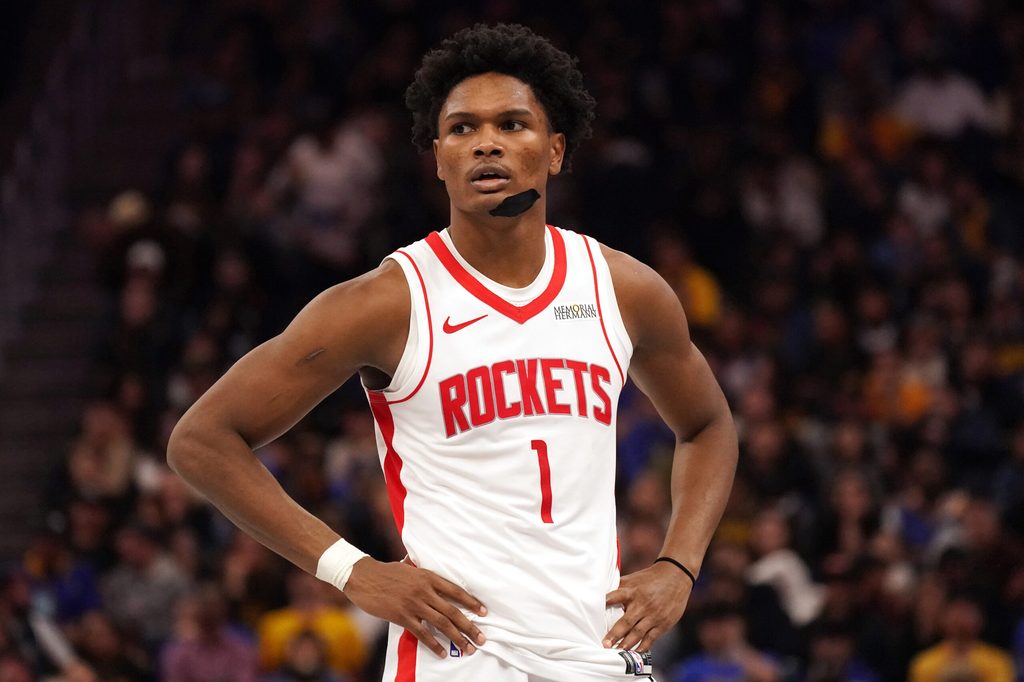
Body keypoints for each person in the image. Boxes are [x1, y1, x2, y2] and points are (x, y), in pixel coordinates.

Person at [168, 23, 737, 682]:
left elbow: (708, 424)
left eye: (512, 124)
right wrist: (353, 571)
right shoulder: (386, 302)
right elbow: (202, 440)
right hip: (460, 657)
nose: (486, 143)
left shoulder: (623, 288)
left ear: (555, 150)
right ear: (438, 157)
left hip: (596, 649)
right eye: (463, 129)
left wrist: (678, 565)